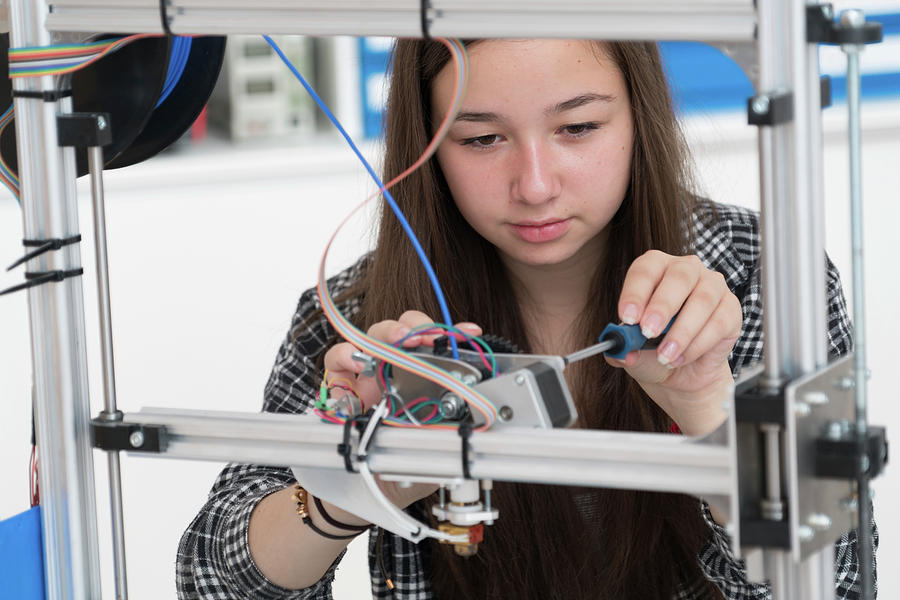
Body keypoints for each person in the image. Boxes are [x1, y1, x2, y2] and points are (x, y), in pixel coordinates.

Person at [177, 38, 875, 599]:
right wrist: (359, 485)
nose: (535, 185)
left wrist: (707, 410)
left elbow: (839, 585)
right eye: (481, 139)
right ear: (425, 148)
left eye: (577, 127)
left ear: (640, 115)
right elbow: (213, 581)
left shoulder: (760, 273)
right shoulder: (361, 320)